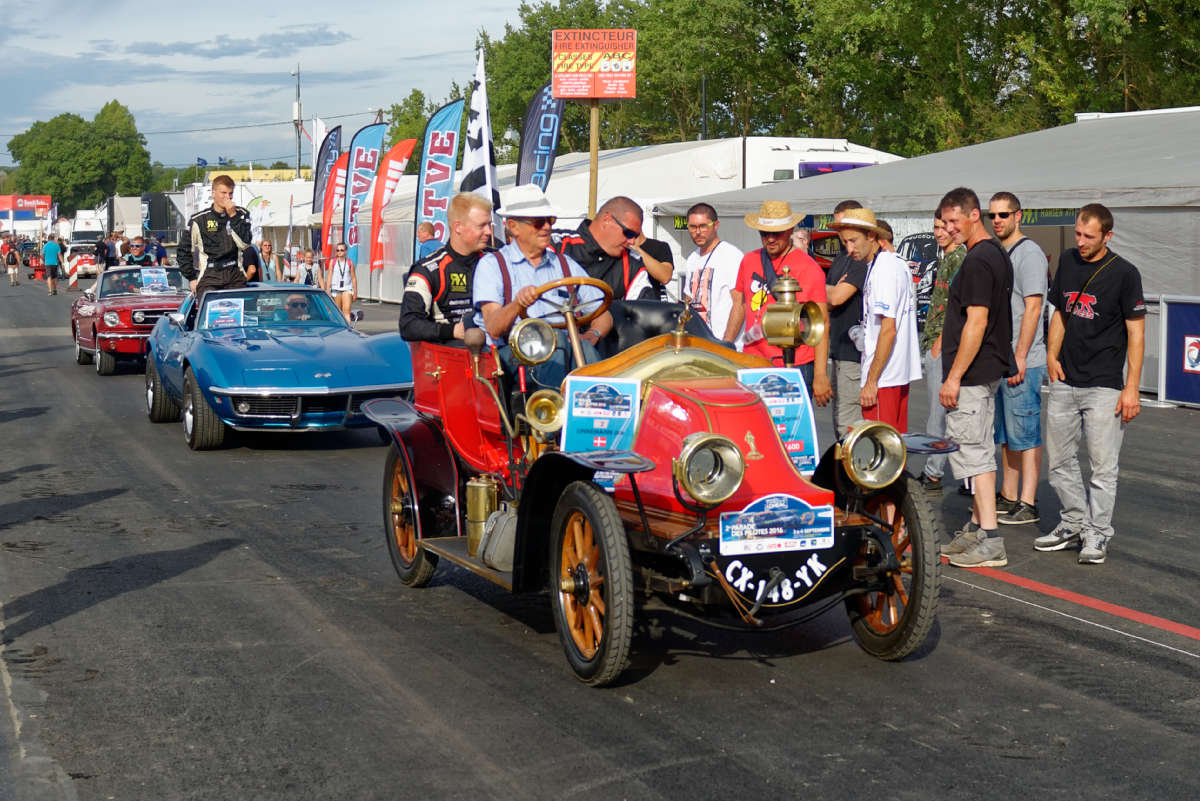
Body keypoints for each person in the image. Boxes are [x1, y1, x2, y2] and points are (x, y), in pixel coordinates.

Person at [1036, 204, 1145, 565]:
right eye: (1078, 234)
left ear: (1107, 236)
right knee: (1059, 462)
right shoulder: (1067, 261)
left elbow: (1136, 333)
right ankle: (1073, 523)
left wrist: (1132, 388)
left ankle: (1097, 534)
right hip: (1066, 379)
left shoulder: (1126, 274)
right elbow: (1060, 312)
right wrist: (1052, 356)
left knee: (1102, 467)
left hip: (1104, 385)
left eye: (1089, 236)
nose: (1081, 242)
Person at [937, 187, 1014, 569]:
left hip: (973, 374)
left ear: (973, 215)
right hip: (984, 371)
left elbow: (977, 320)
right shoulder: (991, 254)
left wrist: (954, 377)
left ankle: (991, 538)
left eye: (954, 221)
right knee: (976, 447)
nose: (949, 229)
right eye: (945, 222)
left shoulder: (980, 260)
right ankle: (976, 529)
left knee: (976, 455)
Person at [473, 185, 614, 388]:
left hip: (565, 346)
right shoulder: (492, 265)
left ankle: (598, 410)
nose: (547, 227)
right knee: (553, 341)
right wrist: (517, 304)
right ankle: (552, 415)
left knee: (586, 350)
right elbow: (494, 328)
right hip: (514, 353)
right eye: (539, 223)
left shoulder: (565, 264)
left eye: (550, 220)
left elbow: (603, 314)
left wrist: (593, 335)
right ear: (513, 227)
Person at [728, 199, 831, 404]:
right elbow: (739, 305)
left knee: (790, 431)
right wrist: (726, 346)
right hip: (753, 360)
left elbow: (821, 322)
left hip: (794, 363)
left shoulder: (809, 268)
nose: (771, 239)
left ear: (790, 230)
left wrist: (820, 375)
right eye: (765, 233)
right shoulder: (749, 260)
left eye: (777, 233)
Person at [829, 207, 921, 431]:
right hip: (895, 374)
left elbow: (888, 330)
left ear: (872, 236)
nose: (849, 249)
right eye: (845, 242)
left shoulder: (884, 269)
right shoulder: (893, 263)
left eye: (853, 241)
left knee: (879, 449)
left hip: (884, 379)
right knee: (894, 445)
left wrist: (871, 382)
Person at [987, 192, 1048, 525]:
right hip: (1001, 358)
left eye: (1003, 215)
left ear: (1018, 216)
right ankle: (1009, 495)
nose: (997, 220)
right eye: (993, 215)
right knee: (1007, 433)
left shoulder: (1030, 255)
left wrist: (1020, 356)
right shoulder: (999, 252)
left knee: (1026, 432)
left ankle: (1028, 500)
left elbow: (1033, 307)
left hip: (1023, 357)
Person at [400, 192, 494, 342]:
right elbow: (408, 325)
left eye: (489, 224)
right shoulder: (428, 269)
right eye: (482, 225)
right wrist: (453, 331)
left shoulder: (496, 261)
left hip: (496, 354)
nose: (488, 231)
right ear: (458, 227)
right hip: (449, 356)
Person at [917, 211, 966, 492]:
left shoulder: (959, 258)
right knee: (947, 413)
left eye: (944, 227)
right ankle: (966, 478)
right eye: (936, 227)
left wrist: (939, 343)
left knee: (938, 413)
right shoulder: (945, 257)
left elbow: (956, 306)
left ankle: (933, 472)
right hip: (936, 340)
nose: (939, 232)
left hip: (943, 344)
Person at [555, 196, 670, 300]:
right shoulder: (557, 244)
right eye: (628, 233)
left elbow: (644, 311)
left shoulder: (632, 264)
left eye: (635, 236)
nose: (632, 241)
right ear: (607, 220)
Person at [825, 200, 869, 437]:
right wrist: (829, 291)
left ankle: (850, 471)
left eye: (845, 224)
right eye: (838, 226)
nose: (842, 232)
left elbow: (838, 297)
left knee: (848, 422)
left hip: (853, 353)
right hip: (838, 348)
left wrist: (828, 290)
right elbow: (826, 301)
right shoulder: (841, 258)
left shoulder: (859, 261)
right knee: (839, 416)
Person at [177, 174, 253, 299]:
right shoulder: (199, 219)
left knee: (238, 315)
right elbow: (183, 250)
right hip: (210, 276)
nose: (227, 197)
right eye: (223, 193)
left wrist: (233, 216)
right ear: (213, 193)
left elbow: (245, 244)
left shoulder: (241, 214)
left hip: (235, 274)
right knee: (210, 316)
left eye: (230, 193)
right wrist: (191, 278)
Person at [679, 202, 743, 344]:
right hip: (699, 343)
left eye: (703, 226)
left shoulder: (731, 255)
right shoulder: (692, 259)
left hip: (725, 344)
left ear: (716, 225)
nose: (698, 232)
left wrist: (727, 343)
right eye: (693, 227)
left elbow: (740, 303)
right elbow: (688, 302)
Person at [325, 242, 357, 321]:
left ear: (346, 251)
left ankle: (348, 329)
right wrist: (327, 289)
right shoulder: (333, 262)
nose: (339, 252)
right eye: (337, 250)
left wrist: (355, 292)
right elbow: (329, 276)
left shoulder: (350, 262)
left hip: (347, 289)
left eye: (341, 250)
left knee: (346, 311)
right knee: (338, 312)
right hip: (335, 289)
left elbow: (353, 278)